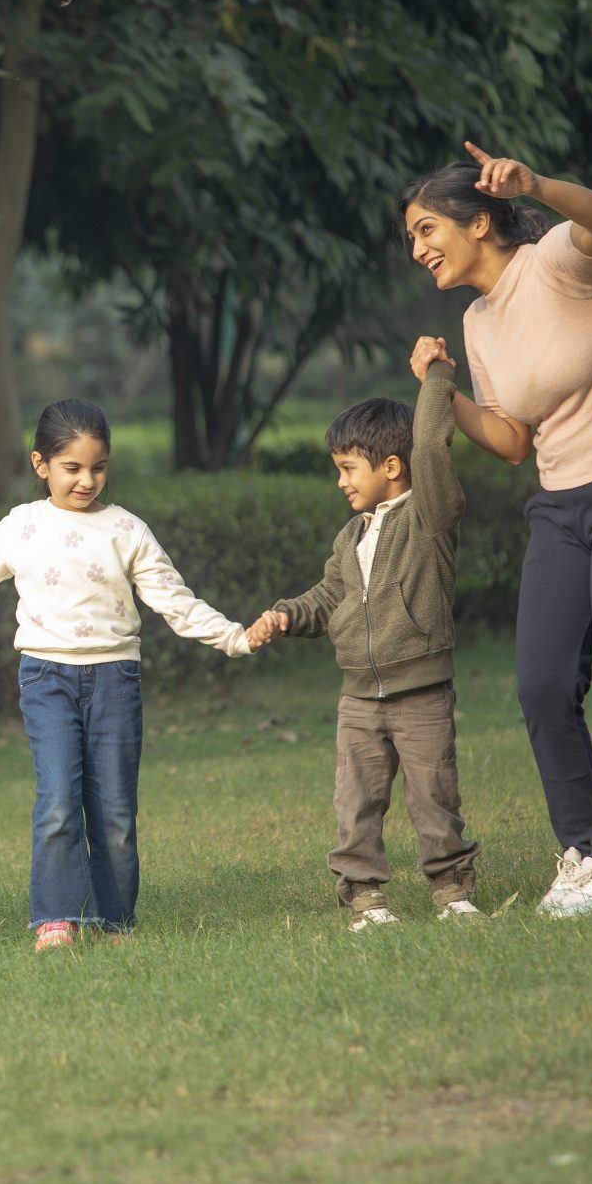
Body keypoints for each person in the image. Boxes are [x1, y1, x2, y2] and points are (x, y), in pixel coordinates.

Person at [398, 141, 592, 916]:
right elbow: (509, 439)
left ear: (478, 221)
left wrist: (535, 184)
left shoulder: (555, 263)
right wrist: (443, 389)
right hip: (562, 502)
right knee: (541, 682)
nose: (418, 248)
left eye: (427, 228)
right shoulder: (475, 321)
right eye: (411, 238)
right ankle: (583, 856)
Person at [0, 399, 264, 951]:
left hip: (115, 680)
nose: (86, 480)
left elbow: (176, 602)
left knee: (116, 809)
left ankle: (115, 921)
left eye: (97, 467)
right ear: (40, 464)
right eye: (71, 468)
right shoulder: (24, 525)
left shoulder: (127, 530)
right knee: (57, 800)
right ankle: (56, 917)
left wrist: (237, 637)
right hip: (46, 679)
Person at [248, 360, 481, 931]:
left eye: (349, 468)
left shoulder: (430, 517)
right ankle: (365, 901)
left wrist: (435, 377)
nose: (341, 481)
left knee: (434, 799)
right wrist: (283, 615)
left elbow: (431, 443)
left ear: (393, 466)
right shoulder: (351, 535)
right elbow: (329, 596)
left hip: (421, 691)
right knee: (356, 803)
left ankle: (451, 894)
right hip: (358, 698)